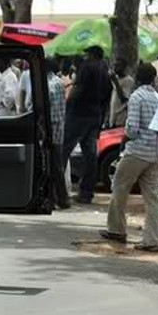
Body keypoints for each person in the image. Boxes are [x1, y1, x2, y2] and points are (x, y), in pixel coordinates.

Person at [101, 63, 158, 252]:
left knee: (119, 188)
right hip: (153, 154)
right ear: (153, 79)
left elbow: (132, 129)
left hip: (135, 152)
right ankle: (152, 241)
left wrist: (125, 139)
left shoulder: (137, 97)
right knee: (152, 199)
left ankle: (117, 230)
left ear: (137, 78)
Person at [62, 46, 112, 204]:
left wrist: (67, 106)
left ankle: (57, 191)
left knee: (63, 151)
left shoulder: (87, 67)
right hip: (95, 116)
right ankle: (86, 193)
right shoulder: (105, 70)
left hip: (79, 114)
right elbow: (108, 95)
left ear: (91, 55)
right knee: (90, 155)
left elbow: (78, 90)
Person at [45, 58, 70, 210]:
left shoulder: (49, 84)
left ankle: (56, 199)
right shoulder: (58, 82)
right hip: (58, 130)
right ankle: (61, 198)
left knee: (52, 166)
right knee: (56, 166)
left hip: (52, 130)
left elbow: (51, 113)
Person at [108, 58, 135, 127]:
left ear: (124, 67)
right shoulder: (115, 78)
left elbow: (124, 99)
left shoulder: (128, 80)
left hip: (121, 116)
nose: (115, 68)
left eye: (118, 66)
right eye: (114, 66)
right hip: (113, 114)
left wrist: (115, 82)